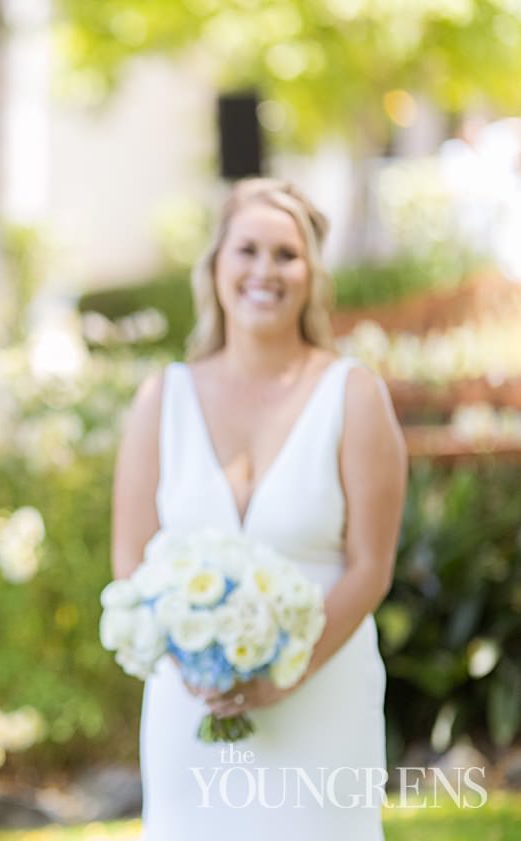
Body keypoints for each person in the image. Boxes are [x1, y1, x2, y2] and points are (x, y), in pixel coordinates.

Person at [110, 178, 407, 839]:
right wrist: (192, 660)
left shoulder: (353, 396)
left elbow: (371, 565)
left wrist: (282, 673)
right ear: (215, 265)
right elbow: (131, 558)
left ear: (312, 275)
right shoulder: (163, 398)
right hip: (191, 705)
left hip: (323, 698)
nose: (264, 271)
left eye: (286, 254)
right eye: (247, 250)